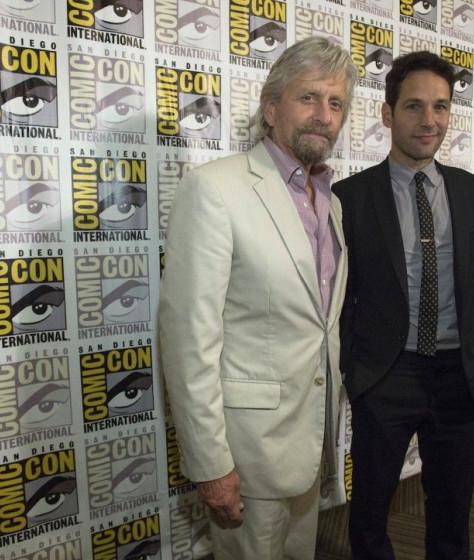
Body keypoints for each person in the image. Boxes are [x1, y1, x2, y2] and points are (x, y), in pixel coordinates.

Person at [158, 37, 357, 559]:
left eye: (335, 104)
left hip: (310, 445)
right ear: (271, 109)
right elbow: (188, 338)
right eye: (308, 98)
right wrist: (210, 463)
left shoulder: (330, 203)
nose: (323, 115)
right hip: (247, 457)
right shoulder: (215, 189)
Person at [332, 51, 474, 560]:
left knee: (452, 516)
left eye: (441, 107)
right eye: (413, 106)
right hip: (387, 376)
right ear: (388, 114)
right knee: (369, 516)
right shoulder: (351, 196)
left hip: (461, 375)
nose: (429, 120)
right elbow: (341, 297)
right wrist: (355, 369)